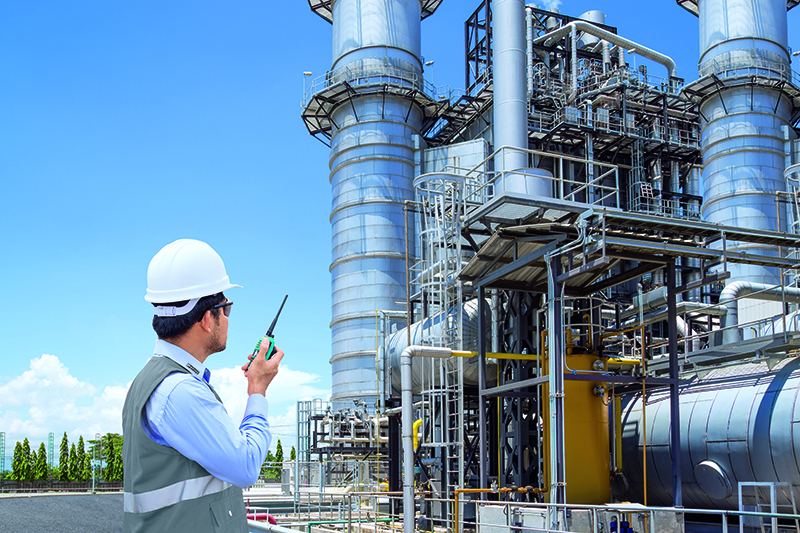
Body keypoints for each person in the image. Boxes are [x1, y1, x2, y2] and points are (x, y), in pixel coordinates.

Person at [122, 239, 282, 533]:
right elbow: (245, 467)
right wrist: (257, 389)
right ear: (209, 318)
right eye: (227, 308)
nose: (228, 318)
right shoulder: (179, 391)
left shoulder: (153, 380)